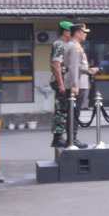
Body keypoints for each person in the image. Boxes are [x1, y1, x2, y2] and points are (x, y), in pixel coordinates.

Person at [64, 25, 99, 149]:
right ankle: (72, 139)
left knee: (74, 112)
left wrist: (87, 69)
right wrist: (75, 85)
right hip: (77, 82)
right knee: (74, 113)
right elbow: (73, 66)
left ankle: (72, 138)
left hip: (79, 80)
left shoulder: (73, 45)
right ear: (78, 33)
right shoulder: (75, 47)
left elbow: (76, 66)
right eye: (84, 32)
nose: (86, 35)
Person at [49, 21, 75, 149]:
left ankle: (60, 136)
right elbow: (56, 65)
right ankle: (58, 137)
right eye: (72, 32)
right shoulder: (59, 44)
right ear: (66, 32)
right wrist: (61, 85)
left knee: (63, 108)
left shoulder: (64, 44)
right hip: (62, 81)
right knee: (61, 108)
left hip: (64, 80)